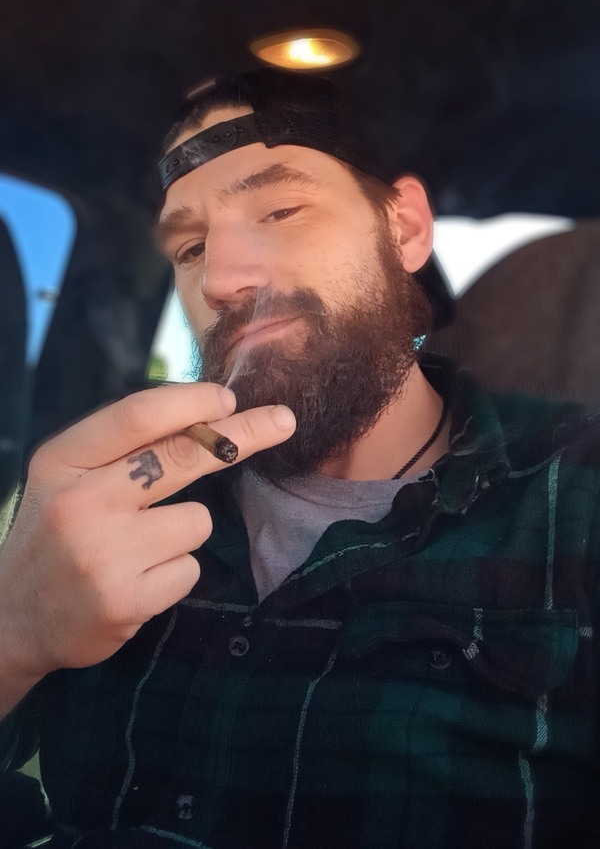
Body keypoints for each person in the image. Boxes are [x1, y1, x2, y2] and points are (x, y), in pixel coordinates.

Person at [0, 68, 599, 849]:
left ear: (405, 229)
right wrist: (14, 636)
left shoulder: (574, 496)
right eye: (190, 247)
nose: (221, 279)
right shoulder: (112, 492)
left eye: (280, 210)